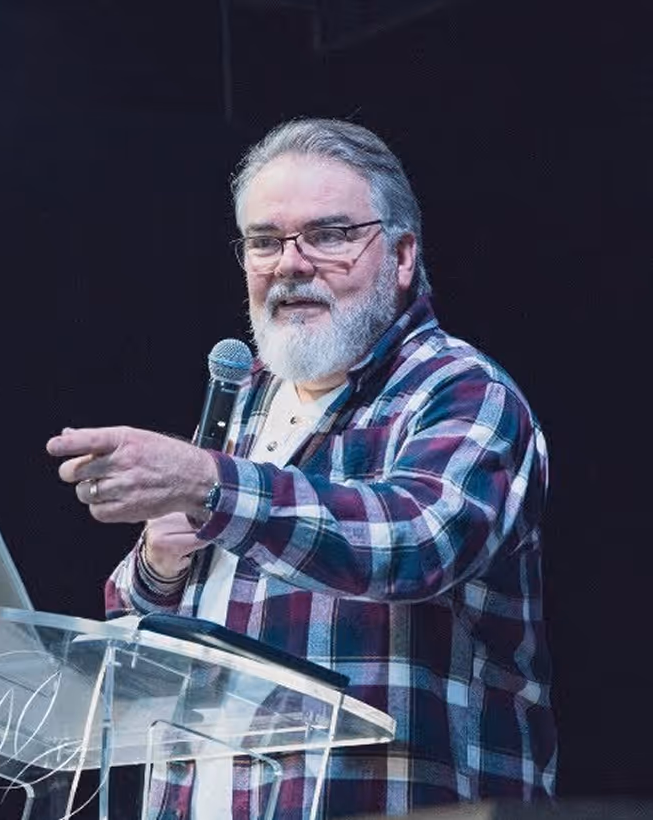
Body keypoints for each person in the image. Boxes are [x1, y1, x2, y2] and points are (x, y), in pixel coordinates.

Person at [46, 118, 557, 818]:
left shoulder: (463, 393)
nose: (290, 263)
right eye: (265, 241)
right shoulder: (243, 398)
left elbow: (412, 543)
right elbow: (155, 634)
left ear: (403, 255)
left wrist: (207, 484)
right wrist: (157, 567)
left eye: (331, 235)